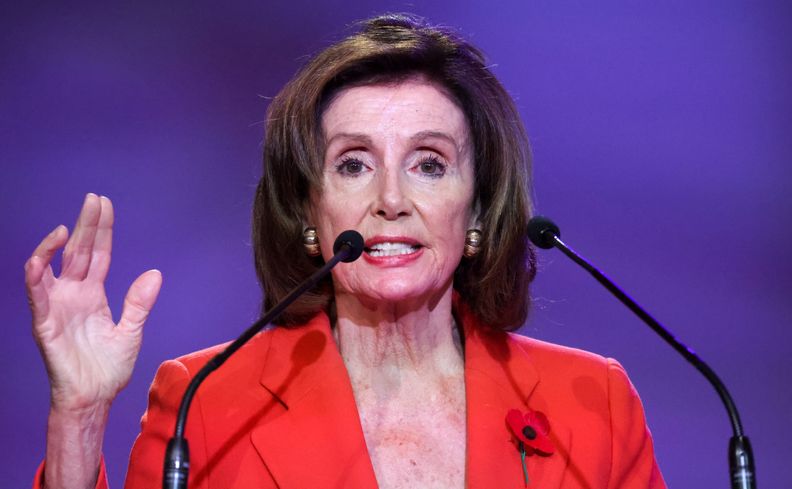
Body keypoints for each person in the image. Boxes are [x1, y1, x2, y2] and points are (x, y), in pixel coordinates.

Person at [27, 14, 666, 489]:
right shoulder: (208, 398)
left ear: (476, 209)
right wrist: (78, 418)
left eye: (429, 164)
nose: (391, 198)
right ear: (308, 211)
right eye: (354, 164)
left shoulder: (592, 401)